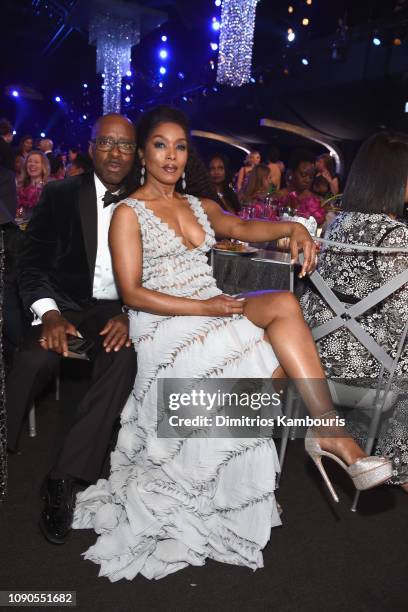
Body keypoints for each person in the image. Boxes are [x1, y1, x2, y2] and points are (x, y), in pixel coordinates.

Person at [73, 106, 391, 581]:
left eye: (180, 147)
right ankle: (225, 475)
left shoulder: (198, 205)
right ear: (144, 152)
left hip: (211, 303)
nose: (171, 156)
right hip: (162, 317)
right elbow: (132, 291)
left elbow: (243, 228)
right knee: (264, 365)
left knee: (284, 306)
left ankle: (328, 431)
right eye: (161, 145)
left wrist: (293, 228)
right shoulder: (128, 212)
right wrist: (205, 309)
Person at [6, 113, 138, 544]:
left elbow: (158, 274)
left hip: (112, 313)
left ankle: (63, 477)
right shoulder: (60, 194)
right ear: (91, 147)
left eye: (125, 145)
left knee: (123, 359)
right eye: (106, 143)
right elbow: (30, 263)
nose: (115, 153)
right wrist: (49, 314)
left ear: (135, 152)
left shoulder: (148, 201)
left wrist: (129, 314)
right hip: (62, 309)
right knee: (33, 358)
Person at [301, 131, 408, 491]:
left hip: (314, 359)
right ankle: (400, 465)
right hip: (361, 368)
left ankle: (369, 446)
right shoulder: (396, 236)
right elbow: (403, 321)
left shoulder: (336, 223)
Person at [16, 150, 50, 225]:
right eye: (29, 161)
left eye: (36, 162)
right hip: (23, 228)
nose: (32, 164)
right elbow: (20, 211)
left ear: (43, 166)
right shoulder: (20, 186)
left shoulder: (49, 187)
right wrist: (19, 218)